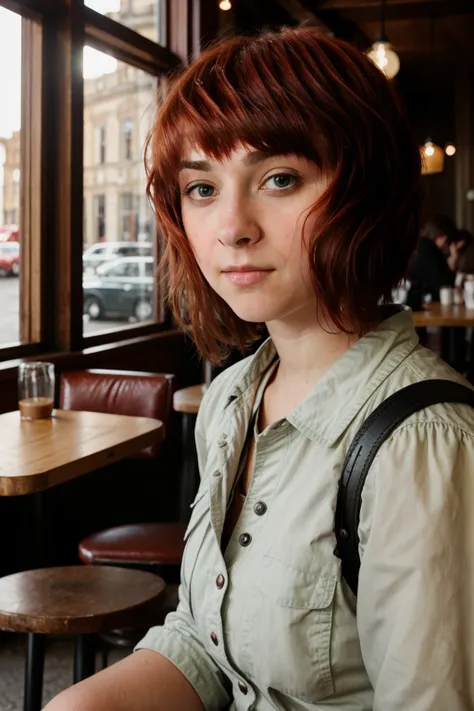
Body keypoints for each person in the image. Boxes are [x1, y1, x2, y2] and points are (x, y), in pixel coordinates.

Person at [45, 27, 474, 711]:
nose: (232, 226)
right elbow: (210, 640)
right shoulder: (234, 397)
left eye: (279, 178)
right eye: (201, 187)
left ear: (364, 191)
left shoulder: (421, 444)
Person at [407, 214, 460, 304]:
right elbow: (446, 288)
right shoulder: (428, 249)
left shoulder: (417, 245)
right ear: (443, 239)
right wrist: (453, 262)